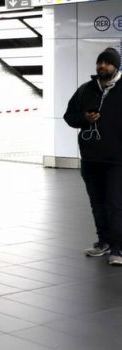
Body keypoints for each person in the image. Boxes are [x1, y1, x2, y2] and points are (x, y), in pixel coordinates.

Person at [63, 47, 122, 266]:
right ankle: (104, 242)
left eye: (107, 63)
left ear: (116, 66)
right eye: (100, 62)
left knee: (115, 204)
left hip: (117, 160)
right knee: (97, 203)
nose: (102, 66)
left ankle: (119, 248)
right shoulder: (86, 90)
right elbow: (69, 116)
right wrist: (84, 118)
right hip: (91, 159)